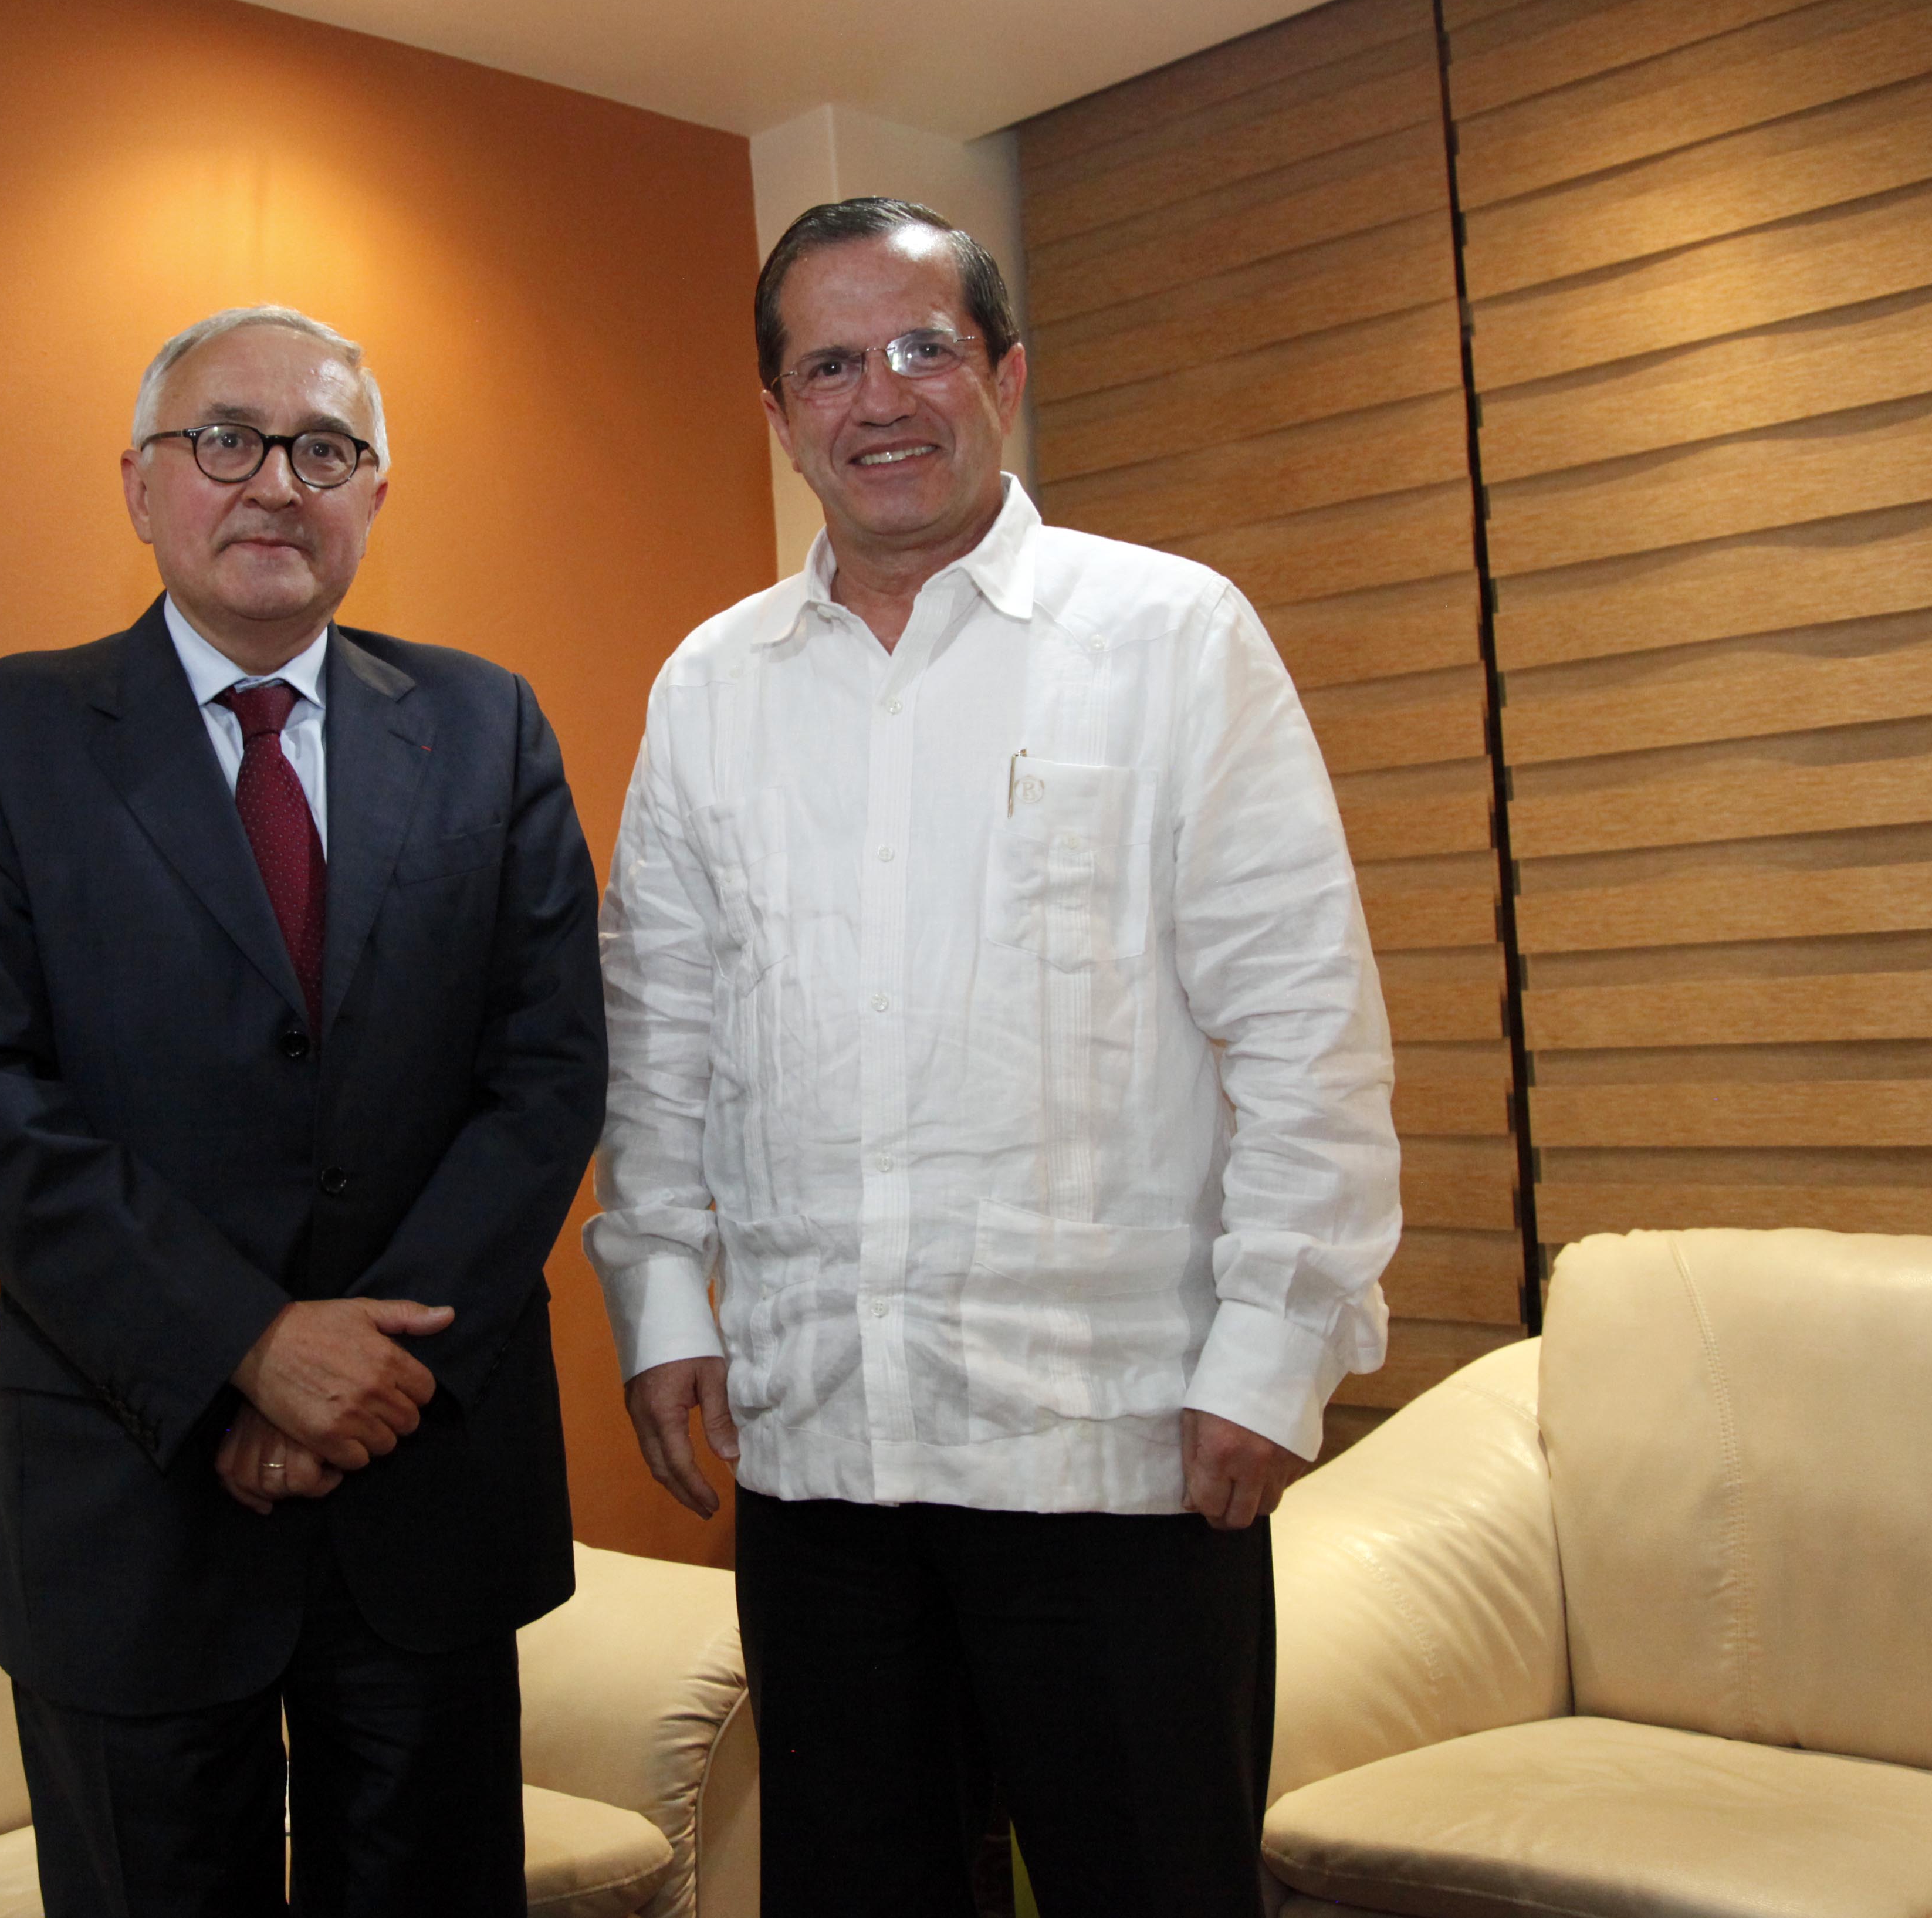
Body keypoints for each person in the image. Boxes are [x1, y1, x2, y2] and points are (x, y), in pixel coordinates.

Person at [586, 198, 1401, 1916]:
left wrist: (1274, 1352)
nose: (879, 396)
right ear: (779, 413)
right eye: (830, 365)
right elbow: (660, 1024)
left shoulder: (1172, 635)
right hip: (821, 1452)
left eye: (922, 348)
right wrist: (660, 1301)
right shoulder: (711, 687)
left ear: (1006, 376)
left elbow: (1303, 1022)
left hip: (1117, 1449)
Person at [0, 305, 607, 1918]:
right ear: (140, 485)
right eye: (226, 440)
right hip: (134, 1494)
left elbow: (548, 1067)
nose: (277, 482)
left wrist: (372, 1372)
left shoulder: (487, 725)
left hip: (425, 1489)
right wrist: (249, 1347)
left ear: (373, 494)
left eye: (325, 449)